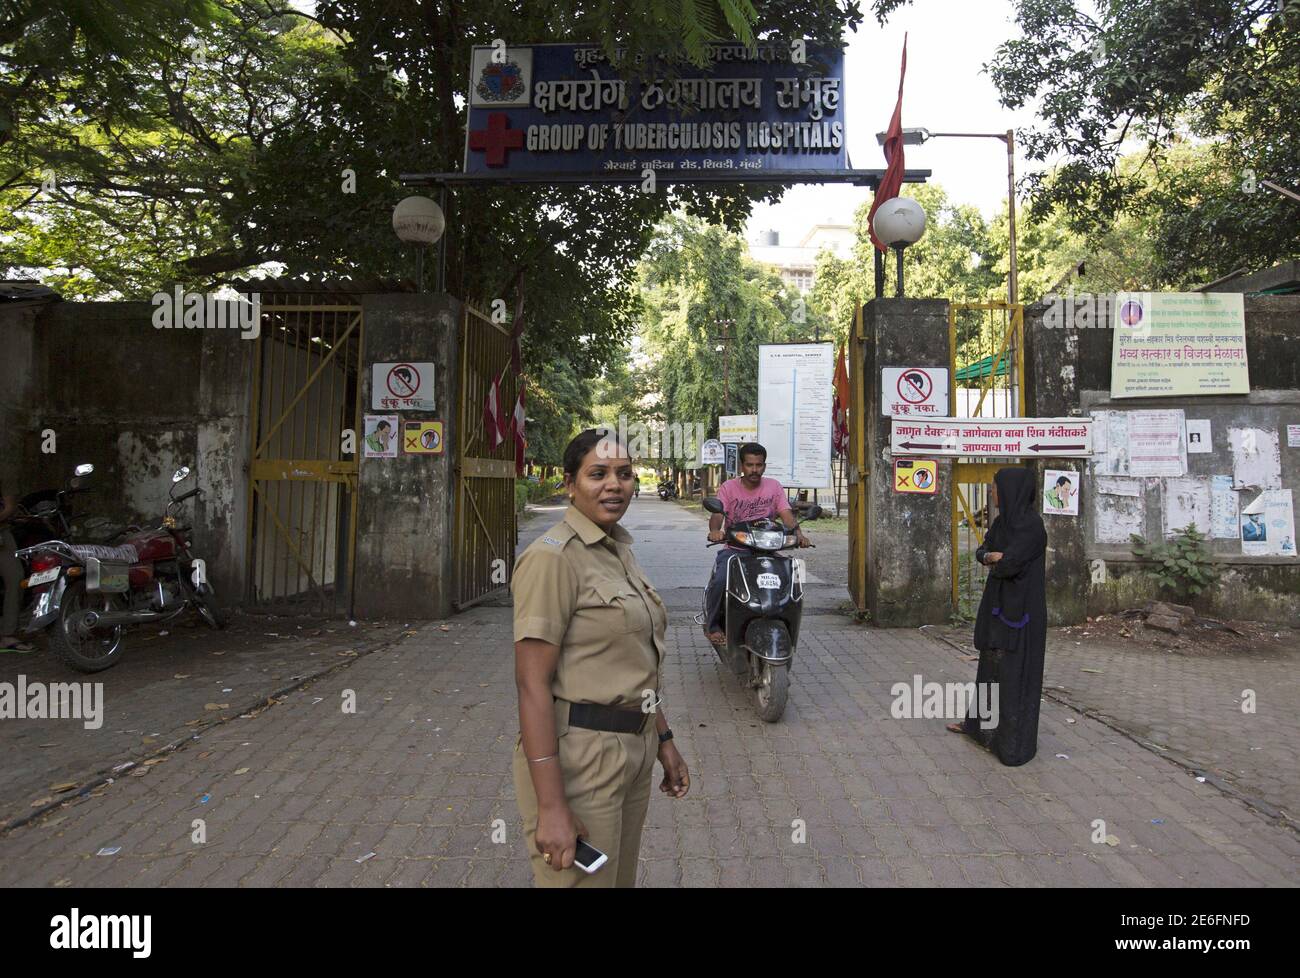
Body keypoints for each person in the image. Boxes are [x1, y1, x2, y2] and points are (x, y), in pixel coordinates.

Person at [511, 428, 690, 887]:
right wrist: (551, 806)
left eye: (624, 474)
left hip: (635, 748)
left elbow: (636, 663)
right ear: (570, 483)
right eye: (598, 474)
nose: (615, 484)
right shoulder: (553, 559)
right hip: (581, 758)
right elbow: (532, 685)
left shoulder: (618, 550)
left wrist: (664, 739)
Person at [947, 467, 1047, 766]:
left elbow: (1010, 564)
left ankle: (1012, 745)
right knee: (990, 669)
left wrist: (997, 558)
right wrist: (991, 556)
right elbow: (983, 551)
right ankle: (978, 728)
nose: (992, 492)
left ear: (1011, 491)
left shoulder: (1032, 528)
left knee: (1014, 675)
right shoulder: (1003, 523)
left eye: (995, 487)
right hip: (998, 607)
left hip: (1023, 615)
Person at [703, 442, 808, 645]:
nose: (754, 470)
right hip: (736, 549)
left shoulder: (774, 487)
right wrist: (715, 531)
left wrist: (799, 535)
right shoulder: (729, 487)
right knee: (720, 579)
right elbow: (717, 513)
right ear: (742, 466)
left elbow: (786, 515)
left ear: (764, 466)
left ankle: (784, 621)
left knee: (790, 579)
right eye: (749, 465)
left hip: (768, 551)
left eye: (758, 465)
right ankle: (713, 624)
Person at [0, 459, 33, 652]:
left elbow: (9, 506)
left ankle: (8, 635)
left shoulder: (5, 476)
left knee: (15, 578)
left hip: (2, 535)